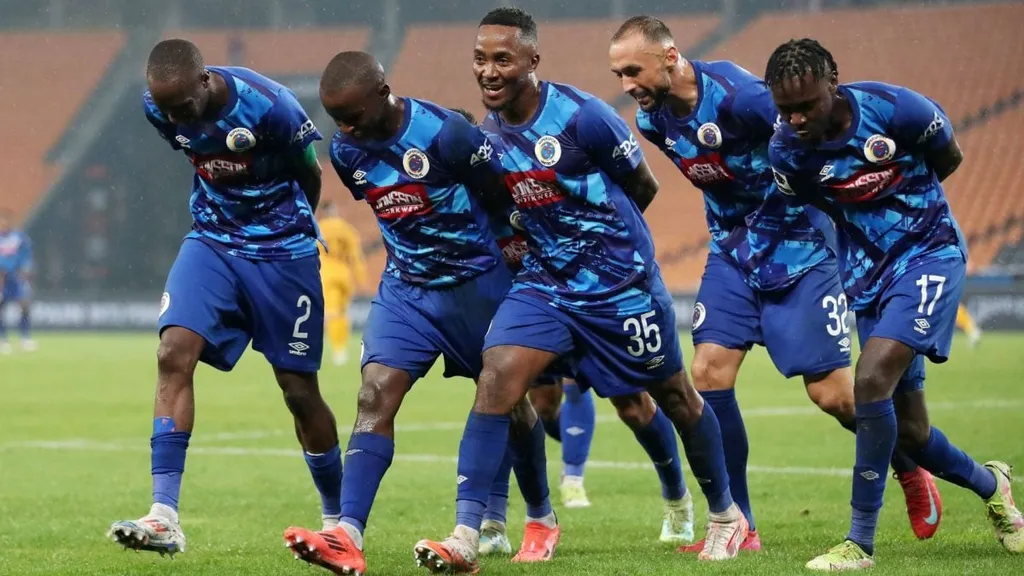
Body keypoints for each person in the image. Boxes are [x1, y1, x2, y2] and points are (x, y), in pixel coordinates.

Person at [413, 8, 747, 573]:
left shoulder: (583, 117)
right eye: (480, 59)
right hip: (546, 285)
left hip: (621, 288)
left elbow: (641, 186)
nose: (488, 72)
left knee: (671, 398)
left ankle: (724, 516)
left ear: (532, 62)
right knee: (496, 377)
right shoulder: (486, 139)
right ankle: (468, 534)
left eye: (502, 59)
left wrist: (604, 250)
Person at [608, 16, 945, 551]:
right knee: (708, 372)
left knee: (834, 396)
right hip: (732, 255)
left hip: (800, 250)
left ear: (670, 57)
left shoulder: (742, 99)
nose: (626, 85)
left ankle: (908, 466)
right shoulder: (653, 123)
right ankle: (739, 523)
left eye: (633, 71)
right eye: (618, 75)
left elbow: (814, 136)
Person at [282, 51, 556, 576]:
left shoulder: (448, 135)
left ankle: (539, 517)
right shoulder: (345, 151)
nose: (345, 128)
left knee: (511, 405)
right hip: (407, 290)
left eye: (353, 115)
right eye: (337, 119)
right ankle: (347, 533)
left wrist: (518, 255)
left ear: (383, 93)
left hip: (478, 285)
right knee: (373, 393)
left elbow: (503, 200)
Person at [764, 37, 1023, 570]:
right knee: (913, 432)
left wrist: (905, 217)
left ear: (833, 81)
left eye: (806, 105)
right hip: (868, 276)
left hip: (929, 256)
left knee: (870, 378)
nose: (794, 119)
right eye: (784, 109)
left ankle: (859, 542)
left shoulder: (897, 109)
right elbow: (816, 206)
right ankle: (992, 486)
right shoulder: (786, 152)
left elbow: (948, 156)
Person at [107, 39, 340, 557]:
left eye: (183, 106)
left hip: (283, 252)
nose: (176, 117)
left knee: (298, 390)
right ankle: (164, 515)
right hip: (213, 240)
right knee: (172, 354)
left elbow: (311, 173)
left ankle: (337, 520)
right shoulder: (159, 108)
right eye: (166, 109)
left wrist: (290, 230)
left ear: (205, 80)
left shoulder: (272, 105)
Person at [449, 109, 694, 549]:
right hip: (536, 307)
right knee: (514, 403)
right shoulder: (463, 203)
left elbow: (626, 195)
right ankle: (496, 521)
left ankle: (677, 496)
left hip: (591, 296)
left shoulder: (521, 174)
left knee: (633, 404)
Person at [317, 199, 367, 365]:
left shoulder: (320, 228)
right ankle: (342, 347)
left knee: (332, 313)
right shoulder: (347, 229)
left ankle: (338, 349)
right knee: (344, 312)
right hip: (344, 273)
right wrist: (361, 279)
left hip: (327, 273)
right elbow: (356, 256)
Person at [0, 208, 35, 353]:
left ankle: (25, 338)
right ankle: (3, 340)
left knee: (25, 305)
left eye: (5, 220)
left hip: (17, 276)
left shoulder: (20, 238)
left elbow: (27, 257)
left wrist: (25, 272)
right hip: (1, 278)